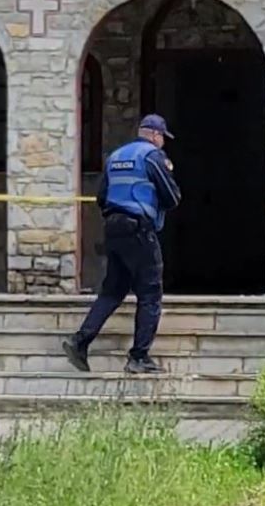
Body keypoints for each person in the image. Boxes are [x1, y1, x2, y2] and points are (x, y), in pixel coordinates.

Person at [63, 114, 181, 374]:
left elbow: (102, 197)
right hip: (139, 229)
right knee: (150, 294)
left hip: (114, 228)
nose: (163, 142)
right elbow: (172, 197)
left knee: (112, 291)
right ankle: (139, 357)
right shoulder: (152, 156)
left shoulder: (115, 157)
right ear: (155, 135)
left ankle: (79, 342)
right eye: (163, 137)